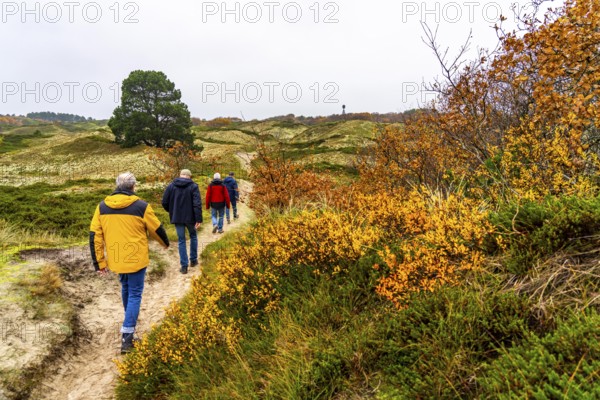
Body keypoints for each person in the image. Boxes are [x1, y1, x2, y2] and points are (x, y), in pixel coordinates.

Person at [89, 172, 170, 354]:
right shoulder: (141, 206)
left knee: (126, 288)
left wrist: (99, 262)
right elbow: (156, 228)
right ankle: (127, 337)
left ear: (117, 185)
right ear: (133, 187)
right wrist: (165, 243)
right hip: (136, 258)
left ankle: (129, 321)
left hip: (116, 258)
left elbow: (95, 235)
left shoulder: (102, 207)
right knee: (134, 294)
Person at [161, 169, 203, 275]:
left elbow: (164, 202)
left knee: (181, 240)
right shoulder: (193, 186)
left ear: (180, 175)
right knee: (193, 236)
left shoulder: (171, 186)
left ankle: (184, 266)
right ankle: (193, 260)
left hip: (177, 217)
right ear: (189, 176)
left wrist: (172, 211)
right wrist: (198, 218)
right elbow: (197, 203)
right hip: (191, 218)